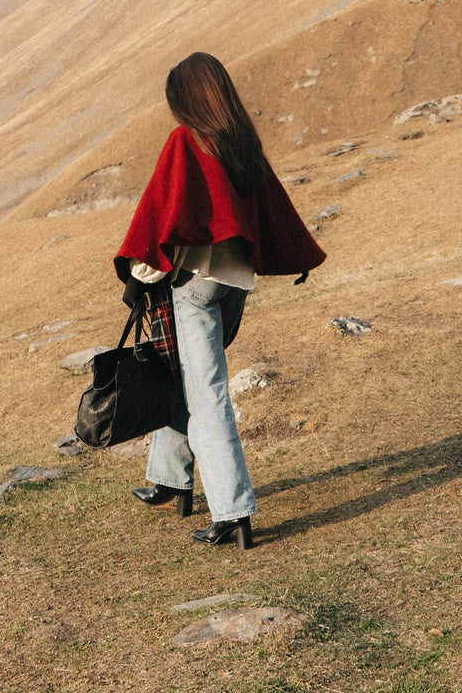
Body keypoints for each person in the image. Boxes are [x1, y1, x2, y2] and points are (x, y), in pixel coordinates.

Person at [114, 52, 324, 548]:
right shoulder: (240, 142)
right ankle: (170, 476)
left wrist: (138, 274)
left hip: (196, 286)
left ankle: (232, 510)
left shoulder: (185, 141)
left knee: (207, 395)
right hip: (235, 280)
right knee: (187, 372)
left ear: (187, 98)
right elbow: (266, 210)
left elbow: (161, 217)